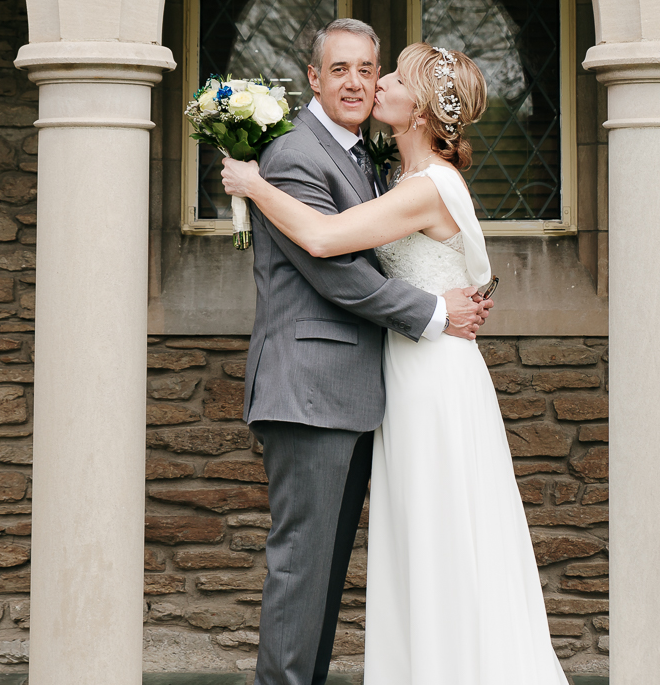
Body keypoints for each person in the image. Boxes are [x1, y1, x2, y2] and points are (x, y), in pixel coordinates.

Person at [224, 41, 567, 685]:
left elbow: (326, 239)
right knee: (423, 540)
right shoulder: (397, 177)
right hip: (406, 375)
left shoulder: (425, 184)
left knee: (439, 538)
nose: (374, 83)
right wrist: (439, 305)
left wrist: (252, 184)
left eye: (388, 75)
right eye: (354, 70)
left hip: (429, 379)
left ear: (420, 109)